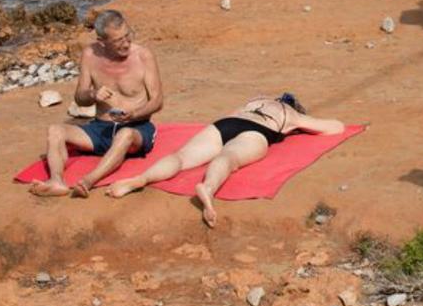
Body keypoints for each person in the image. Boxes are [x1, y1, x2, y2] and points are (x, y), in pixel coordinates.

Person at [107, 93, 344, 227]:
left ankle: (142, 178)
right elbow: (335, 127)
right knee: (228, 157)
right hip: (256, 131)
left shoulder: (254, 101)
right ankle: (208, 189)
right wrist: (298, 123)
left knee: (181, 157)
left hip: (224, 124)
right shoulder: (289, 114)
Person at [29, 10, 163, 197]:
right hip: (100, 128)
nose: (126, 43)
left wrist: (134, 114)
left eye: (128, 36)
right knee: (55, 130)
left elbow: (157, 101)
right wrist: (93, 94)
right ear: (102, 41)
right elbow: (80, 98)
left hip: (136, 127)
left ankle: (88, 181)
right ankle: (56, 181)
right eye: (118, 41)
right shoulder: (90, 54)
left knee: (125, 134)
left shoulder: (143, 56)